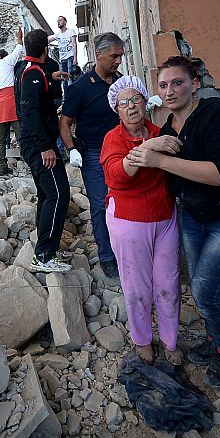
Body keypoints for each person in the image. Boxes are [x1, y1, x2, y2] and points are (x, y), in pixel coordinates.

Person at [126, 56, 220, 390]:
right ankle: (214, 336)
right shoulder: (167, 131)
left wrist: (159, 160)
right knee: (200, 285)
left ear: (195, 84)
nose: (169, 91)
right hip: (196, 217)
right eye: (163, 85)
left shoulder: (216, 114)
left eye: (177, 82)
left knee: (205, 291)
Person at [100, 75, 183, 365]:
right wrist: (149, 147)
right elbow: (116, 177)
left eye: (136, 99)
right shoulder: (114, 138)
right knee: (137, 285)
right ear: (117, 109)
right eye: (124, 103)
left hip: (165, 217)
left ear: (146, 102)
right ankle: (142, 339)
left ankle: (170, 340)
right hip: (129, 220)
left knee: (168, 284)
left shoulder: (159, 132)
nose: (131, 106)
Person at [59, 32, 124, 278]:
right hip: (95, 154)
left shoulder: (121, 83)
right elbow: (64, 123)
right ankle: (107, 256)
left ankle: (126, 248)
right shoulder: (80, 87)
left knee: (124, 201)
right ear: (98, 54)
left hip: (123, 151)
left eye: (120, 56)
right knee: (100, 205)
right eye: (114, 56)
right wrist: (71, 149)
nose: (118, 61)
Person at [15, 29, 72, 273]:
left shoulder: (25, 68)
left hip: (35, 142)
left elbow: (36, 84)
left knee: (47, 193)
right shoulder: (32, 74)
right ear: (46, 50)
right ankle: (44, 255)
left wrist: (51, 76)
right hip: (38, 144)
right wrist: (45, 147)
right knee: (58, 194)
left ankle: (47, 249)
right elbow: (30, 113)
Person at [0, 28, 24, 175]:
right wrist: (19, 38)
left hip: (0, 107)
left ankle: (2, 167)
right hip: (13, 104)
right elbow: (19, 49)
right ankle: (29, 162)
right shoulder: (7, 61)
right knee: (21, 136)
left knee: (0, 141)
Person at [48, 16, 77, 91]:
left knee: (71, 76)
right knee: (64, 78)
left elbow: (74, 44)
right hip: (62, 59)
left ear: (65, 22)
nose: (58, 22)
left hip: (70, 57)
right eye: (58, 21)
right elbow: (49, 40)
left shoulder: (71, 31)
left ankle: (73, 93)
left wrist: (75, 58)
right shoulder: (57, 34)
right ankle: (66, 94)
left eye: (60, 20)